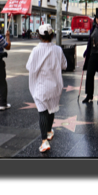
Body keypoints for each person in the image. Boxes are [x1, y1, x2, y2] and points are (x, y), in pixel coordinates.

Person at [26, 24, 67, 152]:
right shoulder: (58, 49)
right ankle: (49, 131)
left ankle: (44, 141)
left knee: (43, 111)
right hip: (55, 86)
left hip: (41, 86)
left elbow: (30, 67)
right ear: (51, 35)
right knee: (52, 108)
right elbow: (64, 65)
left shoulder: (36, 50)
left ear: (39, 36)